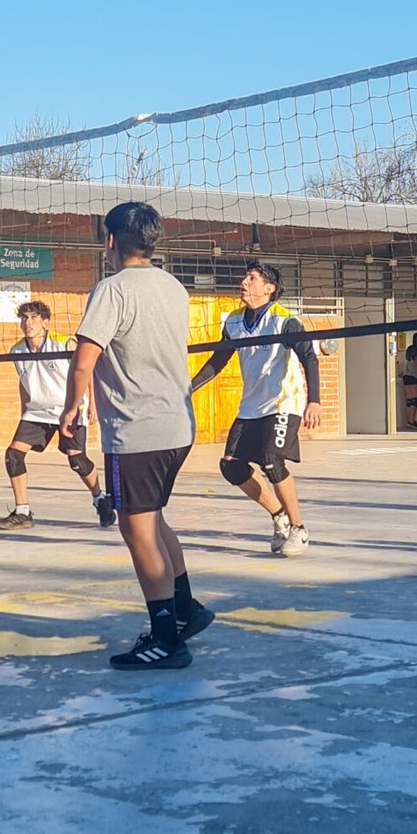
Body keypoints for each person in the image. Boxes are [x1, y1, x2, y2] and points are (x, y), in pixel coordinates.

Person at [64, 201, 205, 670]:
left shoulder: (111, 289)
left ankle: (167, 638)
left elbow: (84, 359)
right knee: (155, 521)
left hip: (137, 430)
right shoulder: (173, 286)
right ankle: (186, 609)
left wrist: (70, 411)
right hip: (177, 427)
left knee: (136, 528)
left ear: (110, 241)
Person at [188, 262, 322, 555]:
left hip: (284, 401)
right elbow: (218, 360)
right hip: (251, 406)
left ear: (269, 289)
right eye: (245, 276)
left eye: (252, 278)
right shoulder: (234, 321)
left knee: (271, 459)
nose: (244, 282)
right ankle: (279, 517)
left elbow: (310, 357)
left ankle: (299, 529)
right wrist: (189, 388)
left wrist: (315, 400)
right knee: (231, 466)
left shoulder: (284, 321)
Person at [0, 300, 117, 532]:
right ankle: (22, 512)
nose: (28, 323)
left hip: (68, 408)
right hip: (37, 410)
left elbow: (86, 368)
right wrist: (24, 411)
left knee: (77, 461)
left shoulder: (64, 342)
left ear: (44, 321)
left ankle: (99, 498)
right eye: (24, 319)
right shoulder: (16, 350)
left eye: (34, 318)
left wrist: (93, 404)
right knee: (13, 456)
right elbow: (24, 382)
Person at [400, 332, 417, 429]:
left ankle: (409, 421)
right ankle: (411, 421)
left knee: (409, 400)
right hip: (416, 377)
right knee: (415, 400)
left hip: (407, 376)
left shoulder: (410, 349)